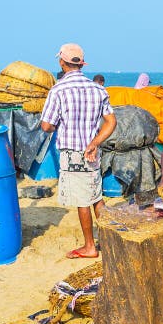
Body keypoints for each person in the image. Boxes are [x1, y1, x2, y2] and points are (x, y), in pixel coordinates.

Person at [40, 43, 116, 259]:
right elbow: (111, 121)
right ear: (81, 64)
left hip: (73, 152)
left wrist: (58, 125)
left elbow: (46, 125)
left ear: (61, 62)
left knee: (83, 199)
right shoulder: (98, 89)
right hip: (92, 151)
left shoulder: (58, 90)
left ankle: (90, 246)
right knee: (96, 196)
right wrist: (95, 142)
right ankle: (109, 242)